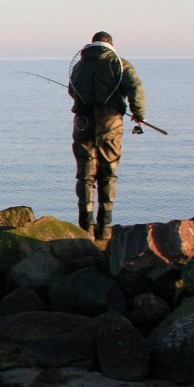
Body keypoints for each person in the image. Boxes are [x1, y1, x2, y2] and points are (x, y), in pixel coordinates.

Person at [69, 32, 147, 241]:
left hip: (82, 123)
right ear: (111, 45)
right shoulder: (119, 64)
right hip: (110, 123)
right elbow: (135, 88)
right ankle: (104, 228)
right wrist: (138, 114)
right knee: (108, 174)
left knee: (85, 175)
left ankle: (85, 227)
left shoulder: (79, 65)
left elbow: (72, 90)